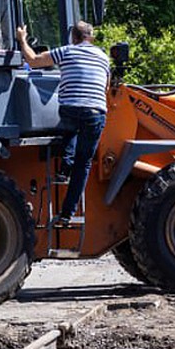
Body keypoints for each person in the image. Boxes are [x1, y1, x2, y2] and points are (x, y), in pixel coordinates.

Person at [17, 20, 110, 227]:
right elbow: (105, 87)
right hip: (96, 112)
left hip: (71, 109)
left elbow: (32, 61)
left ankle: (64, 167)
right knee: (83, 163)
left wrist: (22, 40)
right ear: (90, 38)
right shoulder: (104, 57)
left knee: (69, 126)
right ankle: (67, 214)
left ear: (74, 38)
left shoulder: (67, 51)